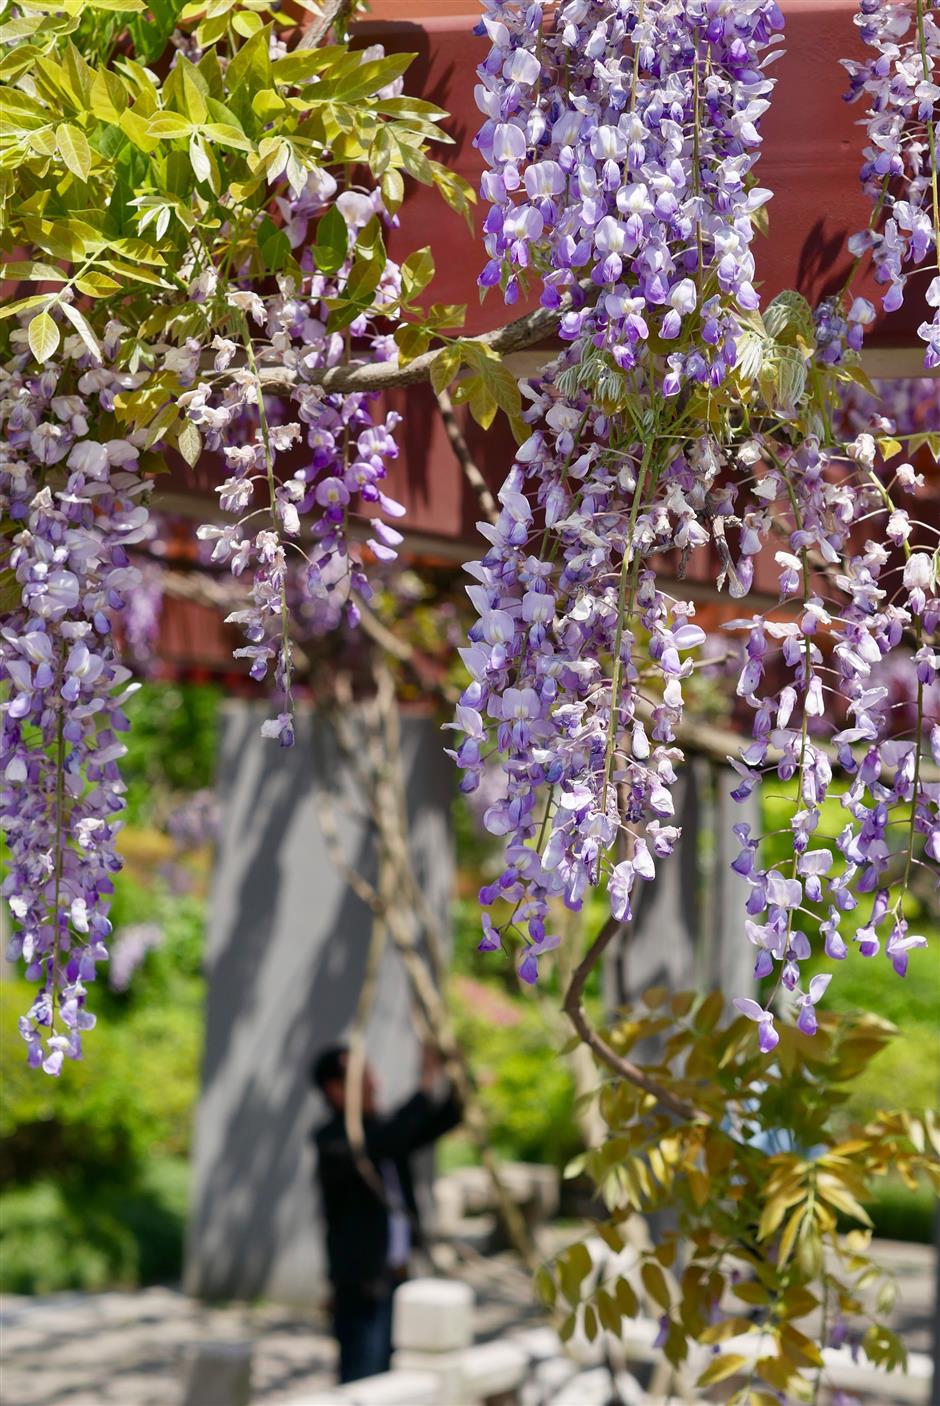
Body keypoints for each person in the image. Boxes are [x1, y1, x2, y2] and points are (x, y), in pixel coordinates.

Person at [312, 1041, 462, 1384]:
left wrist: (455, 1075)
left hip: (399, 1277)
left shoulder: (382, 1130)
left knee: (397, 1382)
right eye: (362, 1077)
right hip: (361, 1288)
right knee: (363, 1379)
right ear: (335, 1090)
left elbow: (440, 1120)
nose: (375, 1084)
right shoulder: (331, 1141)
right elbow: (388, 1138)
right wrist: (425, 1083)